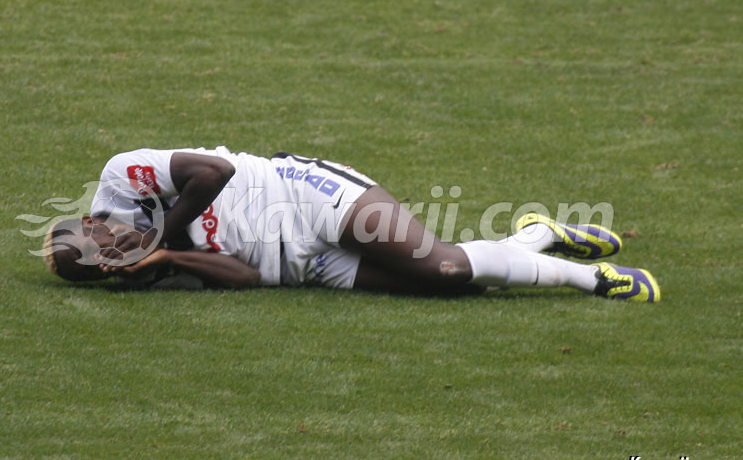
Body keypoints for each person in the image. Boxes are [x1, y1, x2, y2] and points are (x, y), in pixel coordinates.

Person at [42, 146, 660, 302]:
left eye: (100, 246)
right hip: (303, 264)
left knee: (440, 261)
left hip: (303, 194)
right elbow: (244, 276)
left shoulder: (124, 177)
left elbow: (214, 172)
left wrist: (168, 236)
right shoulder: (143, 275)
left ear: (92, 222)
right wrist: (169, 262)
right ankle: (538, 234)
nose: (113, 256)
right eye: (102, 270)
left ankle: (595, 280)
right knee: (452, 285)